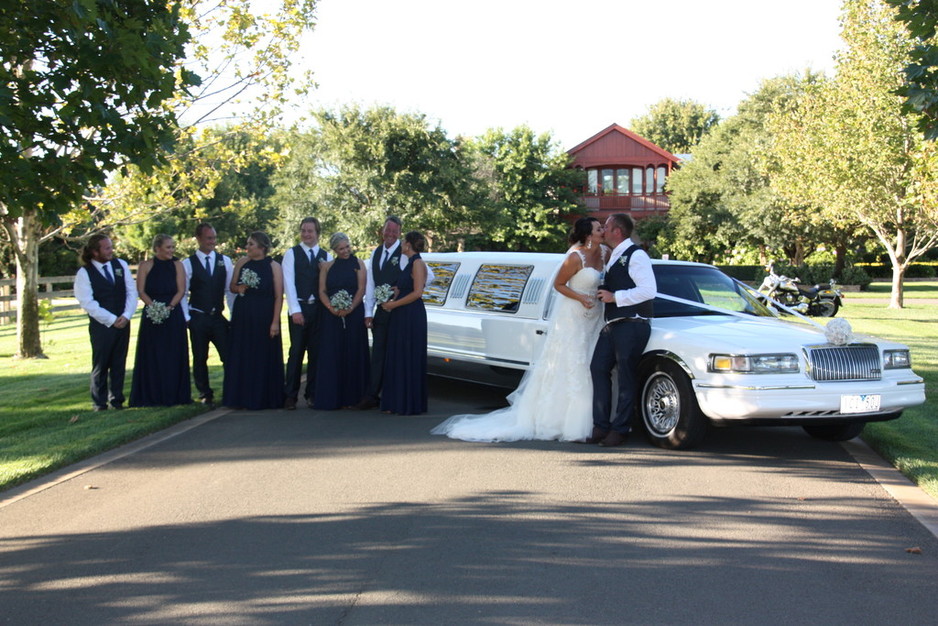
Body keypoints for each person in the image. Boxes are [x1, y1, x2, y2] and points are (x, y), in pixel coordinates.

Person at [432, 217, 607, 440]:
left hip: (595, 318)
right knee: (572, 364)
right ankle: (563, 420)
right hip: (573, 318)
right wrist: (580, 297)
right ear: (588, 234)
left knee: (593, 365)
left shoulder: (605, 253)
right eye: (599, 228)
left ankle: (599, 418)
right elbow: (558, 284)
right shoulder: (574, 257)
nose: (603, 230)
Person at [588, 213, 657, 447]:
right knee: (598, 368)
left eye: (606, 227)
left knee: (626, 377)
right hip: (613, 324)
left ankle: (620, 429)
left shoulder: (636, 255)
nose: (603, 230)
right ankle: (600, 426)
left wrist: (614, 297)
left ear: (617, 231)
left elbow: (648, 290)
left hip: (632, 323)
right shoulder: (613, 255)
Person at [353, 217, 434, 410]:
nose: (390, 234)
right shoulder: (376, 253)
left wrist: (402, 291)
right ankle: (372, 395)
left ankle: (395, 396)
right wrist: (368, 311)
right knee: (379, 354)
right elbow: (371, 283)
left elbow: (429, 277)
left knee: (398, 356)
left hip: (401, 312)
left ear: (399, 233)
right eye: (387, 230)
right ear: (382, 231)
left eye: (394, 232)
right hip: (382, 311)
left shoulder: (408, 253)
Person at [74, 234, 138, 411]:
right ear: (95, 252)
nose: (111, 251)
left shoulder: (121, 265)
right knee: (101, 364)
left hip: (123, 322)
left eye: (111, 247)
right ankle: (99, 402)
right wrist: (111, 319)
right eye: (107, 248)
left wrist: (126, 315)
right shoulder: (85, 273)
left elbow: (131, 292)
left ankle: (117, 400)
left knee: (119, 362)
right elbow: (87, 302)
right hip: (101, 325)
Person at [223, 231, 285, 410]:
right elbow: (232, 287)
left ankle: (264, 397)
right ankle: (240, 396)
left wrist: (274, 322)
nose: (247, 247)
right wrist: (240, 287)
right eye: (247, 244)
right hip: (244, 314)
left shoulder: (274, 266)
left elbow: (278, 296)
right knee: (243, 354)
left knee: (262, 355)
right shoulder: (242, 262)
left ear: (262, 247)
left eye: (251, 244)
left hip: (264, 315)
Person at [130, 234, 191, 407]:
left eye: (173, 247)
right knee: (153, 354)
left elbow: (181, 290)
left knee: (173, 353)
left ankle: (176, 394)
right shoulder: (145, 265)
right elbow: (141, 290)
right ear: (157, 248)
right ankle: (152, 395)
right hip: (152, 313)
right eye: (168, 247)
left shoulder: (177, 265)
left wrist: (169, 307)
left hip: (173, 312)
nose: (172, 250)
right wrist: (154, 307)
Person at [314, 232, 370, 409]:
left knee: (353, 351)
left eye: (347, 247)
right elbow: (322, 290)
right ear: (334, 250)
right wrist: (332, 308)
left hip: (353, 313)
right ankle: (332, 396)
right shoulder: (327, 267)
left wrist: (350, 308)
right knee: (332, 352)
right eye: (341, 249)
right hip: (331, 316)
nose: (346, 251)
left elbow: (362, 289)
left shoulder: (358, 264)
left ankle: (355, 396)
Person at [181, 223, 233, 408]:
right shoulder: (188, 264)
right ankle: (205, 393)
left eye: (214, 238)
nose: (213, 241)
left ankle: (230, 390)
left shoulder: (224, 261)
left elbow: (229, 290)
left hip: (217, 317)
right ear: (199, 239)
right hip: (198, 317)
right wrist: (187, 317)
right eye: (209, 238)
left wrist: (233, 315)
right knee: (200, 357)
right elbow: (183, 292)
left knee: (228, 354)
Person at [380, 230, 430, 415]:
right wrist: (394, 290)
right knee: (399, 355)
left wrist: (393, 304)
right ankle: (397, 401)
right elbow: (407, 287)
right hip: (402, 314)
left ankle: (408, 402)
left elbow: (417, 292)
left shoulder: (417, 263)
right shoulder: (409, 263)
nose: (400, 244)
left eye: (403, 241)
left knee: (408, 355)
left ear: (408, 245)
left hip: (410, 315)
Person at [282, 217, 330, 410]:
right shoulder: (292, 254)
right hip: (299, 308)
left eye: (310, 231)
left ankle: (312, 393)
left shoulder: (325, 256)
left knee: (316, 354)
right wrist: (295, 310)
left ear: (317, 233)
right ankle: (290, 395)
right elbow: (289, 283)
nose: (306, 234)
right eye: (303, 230)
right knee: (296, 353)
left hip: (318, 309)